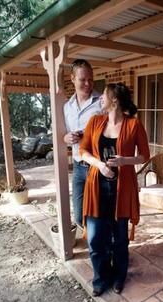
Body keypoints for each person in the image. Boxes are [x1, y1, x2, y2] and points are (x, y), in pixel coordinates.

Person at [79, 83, 150, 296]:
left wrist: (124, 161)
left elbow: (145, 156)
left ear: (115, 101)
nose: (100, 99)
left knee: (120, 238)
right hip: (96, 188)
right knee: (96, 238)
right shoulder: (95, 122)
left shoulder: (134, 125)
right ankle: (101, 278)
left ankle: (119, 276)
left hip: (122, 190)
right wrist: (100, 165)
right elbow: (83, 151)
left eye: (104, 97)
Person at [63, 59, 102, 228]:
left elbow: (115, 130)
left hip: (98, 166)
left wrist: (90, 135)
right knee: (79, 216)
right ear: (72, 78)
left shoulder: (102, 102)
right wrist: (66, 138)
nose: (88, 83)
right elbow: (64, 132)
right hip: (79, 166)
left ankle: (105, 249)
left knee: (101, 213)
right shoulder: (67, 106)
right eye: (82, 79)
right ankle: (97, 243)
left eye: (91, 79)